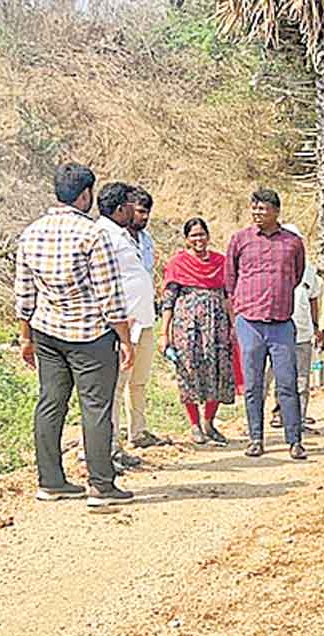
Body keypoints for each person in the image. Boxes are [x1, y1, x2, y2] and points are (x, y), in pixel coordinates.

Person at [15, 162, 135, 507]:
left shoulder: (32, 232)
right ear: (85, 195)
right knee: (95, 406)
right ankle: (101, 485)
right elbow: (109, 295)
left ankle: (50, 481)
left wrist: (25, 337)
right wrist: (125, 339)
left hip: (47, 332)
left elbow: (24, 292)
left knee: (50, 403)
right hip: (90, 335)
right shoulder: (93, 234)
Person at [225, 188, 308, 460]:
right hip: (249, 321)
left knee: (287, 383)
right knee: (253, 385)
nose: (257, 213)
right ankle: (255, 439)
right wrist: (237, 316)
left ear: (276, 211)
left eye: (263, 209)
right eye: (255, 208)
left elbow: (296, 276)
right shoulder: (240, 240)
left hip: (282, 323)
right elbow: (230, 280)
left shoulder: (292, 242)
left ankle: (294, 440)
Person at [160, 218, 236, 445]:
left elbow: (228, 297)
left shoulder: (221, 262)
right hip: (187, 327)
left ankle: (209, 422)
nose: (199, 239)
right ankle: (194, 425)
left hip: (217, 326)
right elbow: (168, 301)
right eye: (193, 235)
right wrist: (165, 333)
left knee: (218, 371)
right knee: (189, 372)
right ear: (187, 239)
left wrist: (233, 326)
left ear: (208, 236)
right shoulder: (178, 264)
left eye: (202, 234)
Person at [94, 182, 154, 472]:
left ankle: (124, 440)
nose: (137, 209)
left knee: (133, 384)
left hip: (141, 321)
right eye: (132, 204)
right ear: (121, 208)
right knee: (114, 390)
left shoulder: (125, 236)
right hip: (121, 325)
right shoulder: (105, 236)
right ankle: (109, 450)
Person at [269, 223, 323, 434]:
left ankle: (299, 419)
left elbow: (314, 300)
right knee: (280, 376)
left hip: (302, 332)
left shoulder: (309, 271)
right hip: (278, 330)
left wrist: (317, 326)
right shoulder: (271, 265)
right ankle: (278, 414)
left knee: (302, 378)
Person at [122, 187, 165, 449]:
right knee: (118, 382)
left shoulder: (146, 239)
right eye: (139, 210)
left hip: (146, 317)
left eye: (147, 211)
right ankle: (109, 440)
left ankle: (137, 432)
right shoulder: (114, 238)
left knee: (139, 381)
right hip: (124, 320)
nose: (143, 216)